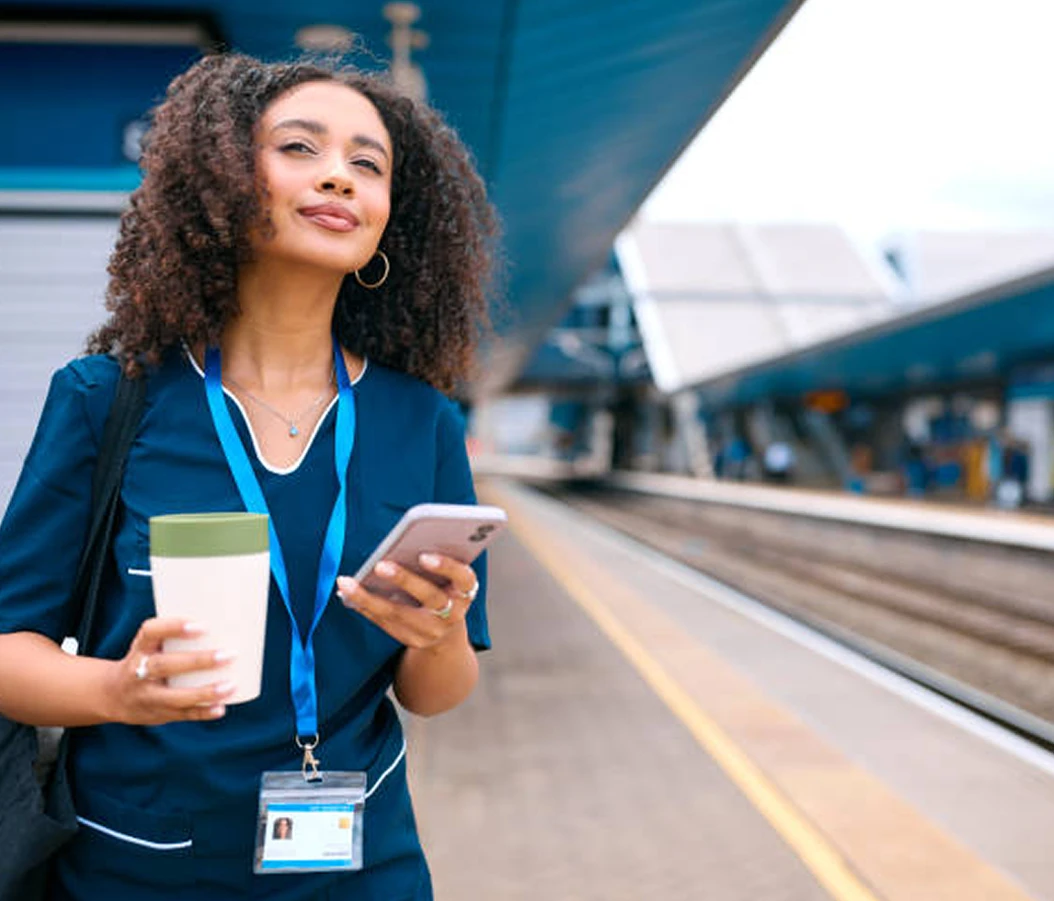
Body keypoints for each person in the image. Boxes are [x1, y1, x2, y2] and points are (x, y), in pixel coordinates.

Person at [0, 52, 498, 900]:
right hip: (141, 865)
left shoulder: (423, 421)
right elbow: (11, 650)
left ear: (389, 221)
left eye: (366, 164)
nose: (338, 177)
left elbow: (436, 693)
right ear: (226, 182)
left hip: (360, 868)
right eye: (300, 149)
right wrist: (119, 689)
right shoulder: (106, 400)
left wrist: (439, 630)